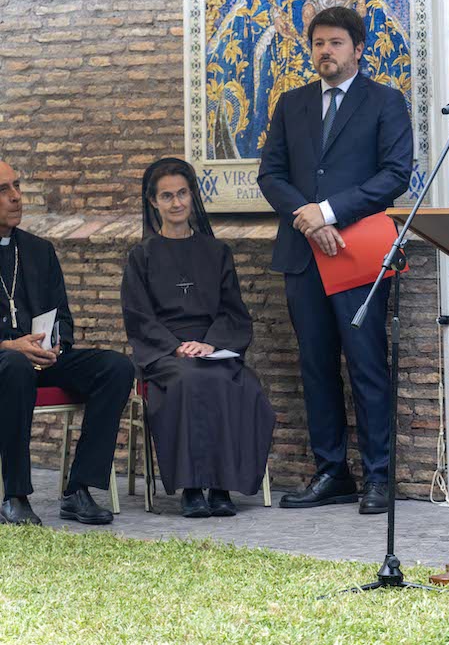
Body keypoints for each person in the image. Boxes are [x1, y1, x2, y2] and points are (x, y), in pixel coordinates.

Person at [258, 6, 413, 514]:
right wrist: (307, 219)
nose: (325, 51)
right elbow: (271, 174)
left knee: (366, 365)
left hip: (357, 253)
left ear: (358, 48)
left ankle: (378, 477)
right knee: (316, 366)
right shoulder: (292, 103)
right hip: (303, 256)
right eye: (318, 43)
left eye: (336, 43)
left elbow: (395, 175)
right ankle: (331, 472)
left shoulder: (385, 101)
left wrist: (327, 212)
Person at [121, 158, 276, 518]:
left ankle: (221, 487)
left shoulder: (217, 252)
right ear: (153, 202)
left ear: (192, 196)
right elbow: (138, 316)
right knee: (189, 380)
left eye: (182, 193)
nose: (176, 203)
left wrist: (211, 344)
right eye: (167, 196)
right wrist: (175, 347)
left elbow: (233, 310)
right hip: (165, 355)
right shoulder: (141, 256)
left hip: (212, 347)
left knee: (241, 383)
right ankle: (192, 488)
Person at [0, 160, 133, 526]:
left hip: (40, 360)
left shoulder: (39, 250)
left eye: (17, 186)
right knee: (14, 366)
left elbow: (63, 318)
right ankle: (15, 496)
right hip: (6, 364)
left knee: (116, 367)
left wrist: (57, 344)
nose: (16, 197)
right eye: (3, 190)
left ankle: (79, 490)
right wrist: (10, 347)